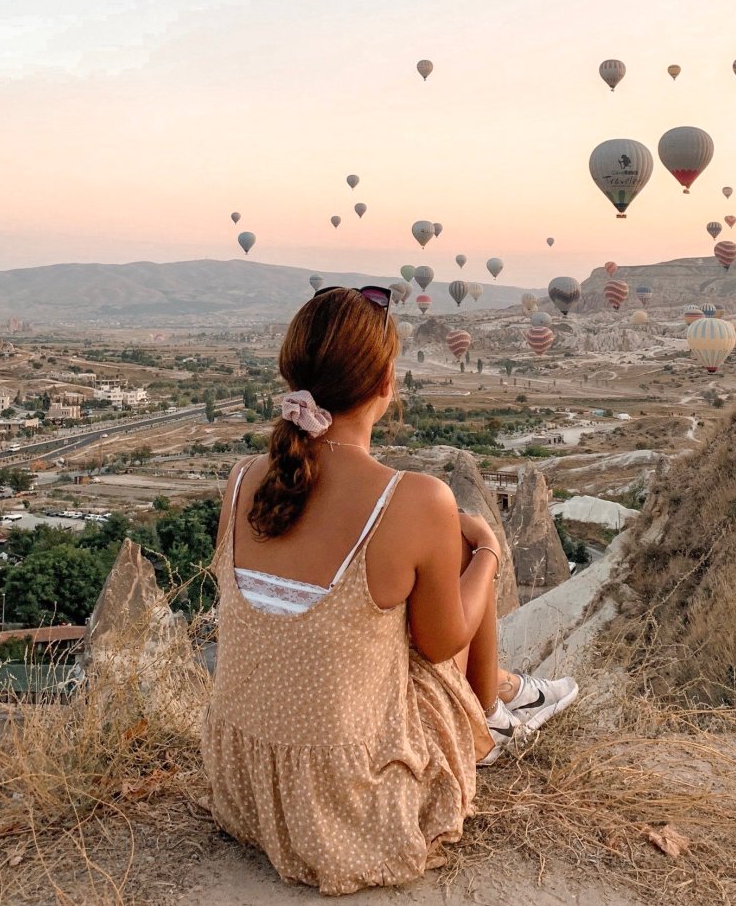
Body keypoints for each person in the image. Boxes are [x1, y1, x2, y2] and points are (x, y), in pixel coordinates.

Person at [202, 286, 578, 895]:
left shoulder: (243, 477)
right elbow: (439, 645)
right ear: (385, 383)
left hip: (245, 784)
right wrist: (489, 552)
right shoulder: (412, 498)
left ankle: (507, 695)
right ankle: (492, 718)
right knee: (459, 558)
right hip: (349, 804)